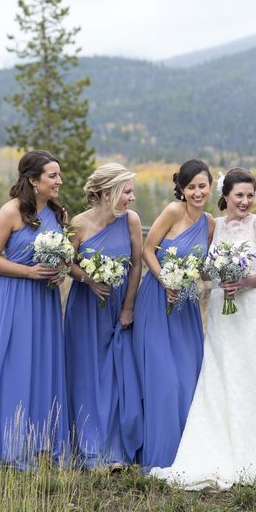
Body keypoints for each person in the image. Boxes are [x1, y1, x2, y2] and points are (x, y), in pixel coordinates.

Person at [151, 168, 256, 490]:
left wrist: (244, 281)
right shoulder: (214, 227)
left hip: (251, 308)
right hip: (221, 308)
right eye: (239, 195)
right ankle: (218, 444)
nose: (245, 201)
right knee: (221, 371)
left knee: (255, 370)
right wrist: (195, 273)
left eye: (250, 195)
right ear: (226, 196)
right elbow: (206, 270)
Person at [0, 150, 69, 467]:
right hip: (14, 296)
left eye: (59, 175)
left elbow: (64, 257)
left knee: (42, 364)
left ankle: (39, 439)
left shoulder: (59, 213)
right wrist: (29, 272)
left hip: (45, 300)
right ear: (33, 180)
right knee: (14, 364)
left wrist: (61, 269)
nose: (59, 181)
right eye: (53, 175)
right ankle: (6, 442)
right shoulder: (11, 212)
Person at [133, 158, 214, 469]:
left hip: (186, 306)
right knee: (163, 379)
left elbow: (204, 268)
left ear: (210, 186)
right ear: (181, 188)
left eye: (202, 186)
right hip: (156, 298)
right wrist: (165, 279)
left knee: (187, 377)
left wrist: (223, 274)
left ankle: (187, 451)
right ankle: (159, 453)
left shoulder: (210, 223)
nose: (196, 192)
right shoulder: (172, 211)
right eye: (191, 186)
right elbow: (147, 249)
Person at [64, 163, 143, 468]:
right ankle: (87, 447)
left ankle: (116, 449)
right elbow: (66, 262)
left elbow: (136, 264)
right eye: (127, 191)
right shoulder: (79, 224)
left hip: (117, 306)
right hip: (85, 308)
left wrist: (128, 306)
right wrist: (88, 278)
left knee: (116, 376)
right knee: (85, 373)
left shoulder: (131, 221)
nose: (131, 198)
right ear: (108, 192)